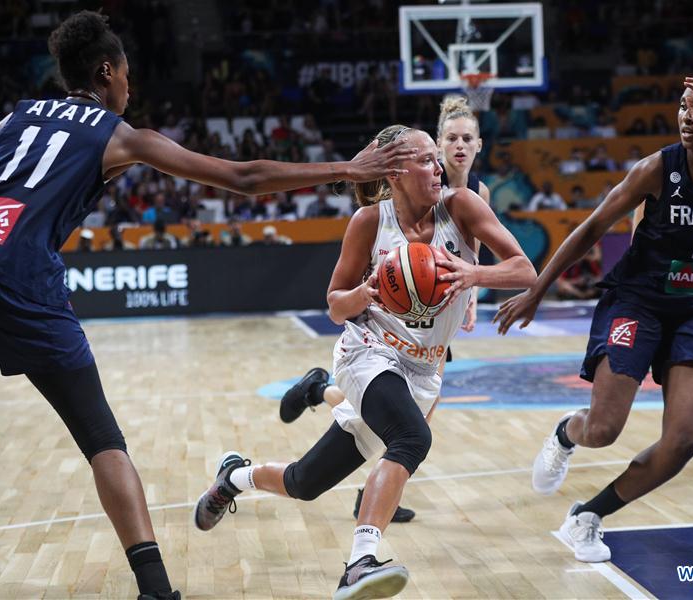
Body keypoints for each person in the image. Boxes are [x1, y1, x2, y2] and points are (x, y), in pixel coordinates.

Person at [0, 11, 415, 600]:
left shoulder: (15, 115)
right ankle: (157, 591)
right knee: (101, 437)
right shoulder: (118, 133)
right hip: (17, 269)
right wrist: (348, 167)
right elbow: (242, 177)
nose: (129, 90)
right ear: (106, 72)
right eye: (127, 78)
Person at [193, 125, 536, 600]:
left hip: (423, 370)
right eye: (425, 160)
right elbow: (334, 304)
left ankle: (233, 476)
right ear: (394, 172)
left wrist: (473, 272)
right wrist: (363, 293)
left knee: (305, 482)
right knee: (413, 438)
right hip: (367, 352)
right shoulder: (369, 222)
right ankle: (360, 563)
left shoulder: (462, 206)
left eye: (437, 159)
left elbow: (525, 270)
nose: (438, 167)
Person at [494, 72, 693, 563]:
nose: (685, 115)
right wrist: (537, 289)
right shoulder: (656, 169)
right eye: (681, 106)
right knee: (603, 431)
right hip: (639, 301)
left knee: (682, 442)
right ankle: (566, 433)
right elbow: (593, 226)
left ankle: (588, 515)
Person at [276, 96, 492, 522]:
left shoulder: (477, 193)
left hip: (442, 311)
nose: (458, 147)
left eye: (467, 138)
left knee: (412, 417)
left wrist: (472, 295)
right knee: (413, 426)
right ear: (439, 144)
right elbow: (342, 296)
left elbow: (475, 253)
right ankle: (374, 502)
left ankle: (321, 394)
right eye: (450, 140)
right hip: (395, 325)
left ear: (480, 144)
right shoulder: (415, 192)